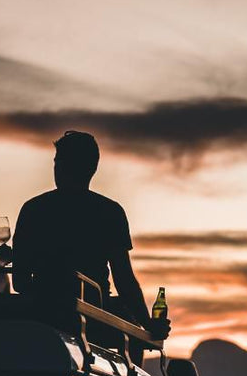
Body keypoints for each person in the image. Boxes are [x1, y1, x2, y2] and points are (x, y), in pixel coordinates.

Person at [11, 130, 170, 341]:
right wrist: (147, 324)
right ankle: (131, 371)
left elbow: (20, 282)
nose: (56, 168)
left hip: (42, 312)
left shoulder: (33, 209)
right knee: (128, 317)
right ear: (92, 168)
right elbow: (124, 280)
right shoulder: (110, 212)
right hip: (97, 315)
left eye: (59, 161)